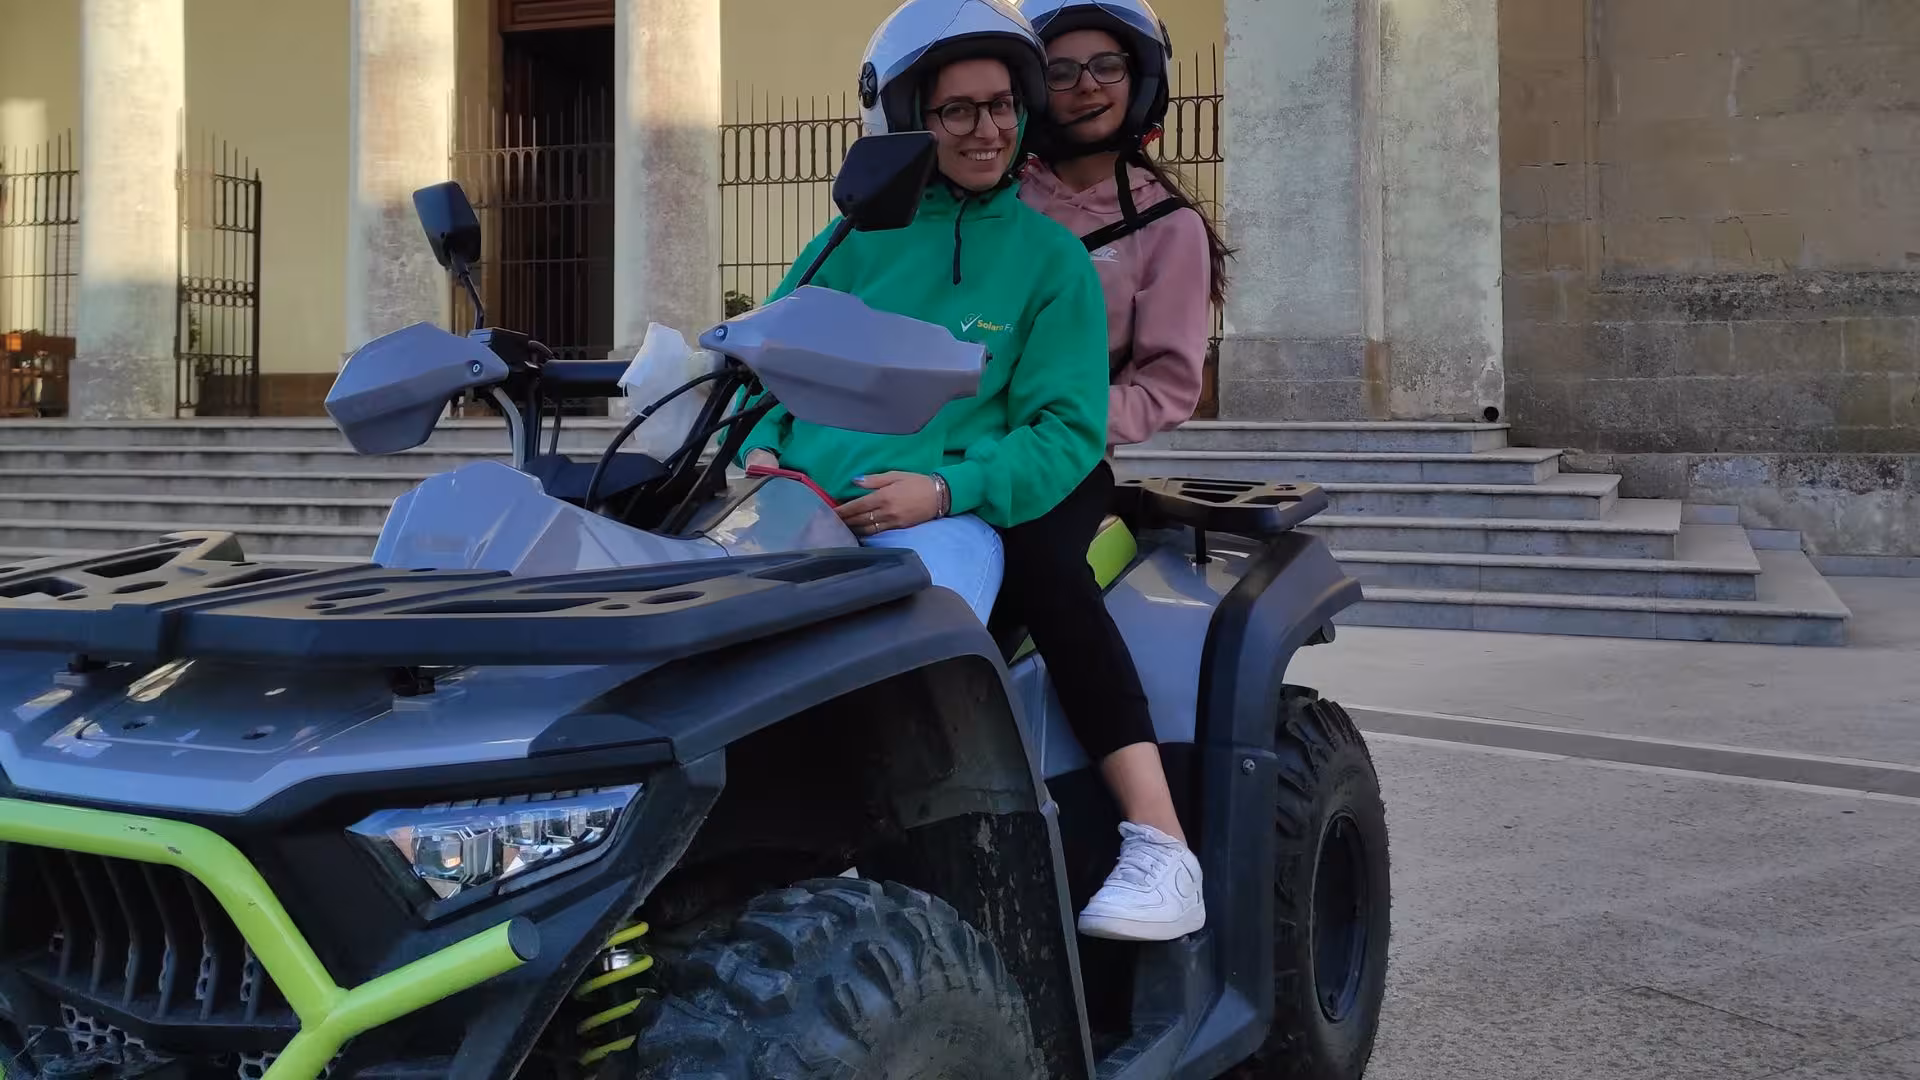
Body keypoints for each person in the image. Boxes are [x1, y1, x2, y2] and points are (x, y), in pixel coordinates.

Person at [736, 0, 1110, 634]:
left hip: (942, 525)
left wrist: (943, 490)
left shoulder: (1054, 261)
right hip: (800, 513)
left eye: (1001, 105)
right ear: (910, 118)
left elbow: (1066, 430)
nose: (987, 129)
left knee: (905, 675)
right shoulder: (851, 238)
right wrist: (758, 450)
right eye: (958, 111)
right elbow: (765, 368)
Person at [996, 0, 1235, 943]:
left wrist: (1064, 428)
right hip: (946, 445)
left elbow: (1168, 384)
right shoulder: (992, 195)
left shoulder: (1166, 227)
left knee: (1043, 574)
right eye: (1061, 69)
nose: (1085, 85)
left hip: (1061, 458)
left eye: (1106, 66)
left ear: (1140, 83)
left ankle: (1159, 841)